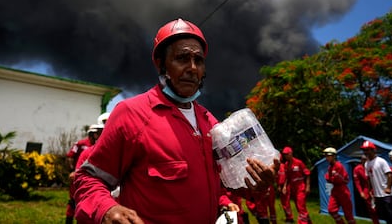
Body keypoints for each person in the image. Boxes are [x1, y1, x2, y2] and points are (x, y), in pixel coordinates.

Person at [74, 18, 279, 224]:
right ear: (161, 64)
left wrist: (257, 185)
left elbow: (224, 186)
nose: (192, 68)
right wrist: (107, 210)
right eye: (182, 58)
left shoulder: (210, 123)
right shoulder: (131, 114)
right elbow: (88, 180)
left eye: (198, 60)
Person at [65, 123, 104, 224]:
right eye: (97, 133)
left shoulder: (104, 148)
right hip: (79, 175)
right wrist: (72, 171)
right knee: (74, 203)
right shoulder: (81, 145)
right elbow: (70, 156)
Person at [361, 140, 392, 223]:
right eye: (364, 150)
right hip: (377, 194)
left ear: (373, 150)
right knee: (384, 215)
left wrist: (388, 188)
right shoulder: (367, 164)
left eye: (368, 150)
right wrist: (369, 190)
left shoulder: (381, 161)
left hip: (387, 194)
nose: (366, 152)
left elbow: (390, 175)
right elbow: (368, 178)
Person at [323, 147, 355, 224]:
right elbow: (328, 179)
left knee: (348, 214)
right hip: (335, 190)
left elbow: (343, 179)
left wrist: (333, 178)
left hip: (343, 191)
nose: (327, 158)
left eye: (329, 156)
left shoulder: (339, 166)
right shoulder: (330, 167)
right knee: (331, 210)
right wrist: (331, 178)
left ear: (334, 156)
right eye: (326, 156)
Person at [282, 146, 312, 224]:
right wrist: (285, 186)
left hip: (300, 187)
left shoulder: (299, 162)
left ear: (291, 153)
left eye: (287, 154)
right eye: (284, 154)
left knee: (301, 207)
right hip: (293, 189)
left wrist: (308, 186)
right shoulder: (286, 165)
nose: (285, 156)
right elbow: (287, 178)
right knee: (300, 208)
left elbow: (307, 174)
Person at [353, 154, 379, 224]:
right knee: (372, 209)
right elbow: (357, 182)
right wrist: (361, 192)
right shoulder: (357, 169)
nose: (365, 161)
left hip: (376, 188)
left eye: (366, 159)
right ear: (361, 160)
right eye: (363, 159)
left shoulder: (372, 166)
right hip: (366, 190)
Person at [277, 154, 293, 223]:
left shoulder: (284, 166)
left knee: (286, 203)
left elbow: (287, 177)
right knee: (283, 203)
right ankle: (288, 217)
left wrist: (284, 187)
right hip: (280, 187)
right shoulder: (277, 167)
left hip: (285, 187)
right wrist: (278, 186)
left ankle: (290, 218)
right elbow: (277, 178)